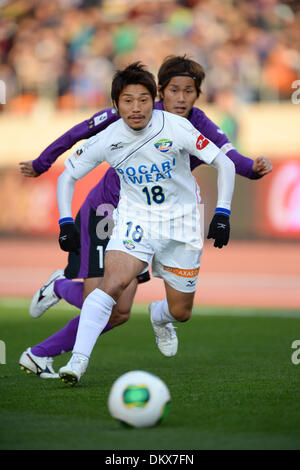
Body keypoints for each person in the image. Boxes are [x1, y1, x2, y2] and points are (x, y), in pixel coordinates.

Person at [19, 55, 272, 379]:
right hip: (110, 211)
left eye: (189, 92)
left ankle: (61, 288)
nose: (181, 98)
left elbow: (226, 157)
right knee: (107, 297)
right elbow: (79, 134)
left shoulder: (194, 124)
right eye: (174, 91)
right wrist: (42, 163)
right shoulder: (131, 110)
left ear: (197, 94)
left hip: (173, 221)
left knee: (123, 312)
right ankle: (47, 354)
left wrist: (251, 169)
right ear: (160, 91)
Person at [55, 61, 236, 386]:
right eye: (127, 100)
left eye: (142, 99)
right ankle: (77, 361)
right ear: (116, 104)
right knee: (112, 284)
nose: (136, 108)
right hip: (135, 220)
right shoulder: (108, 138)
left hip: (182, 224)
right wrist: (65, 220)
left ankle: (158, 314)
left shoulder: (176, 127)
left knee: (181, 311)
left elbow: (224, 162)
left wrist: (223, 213)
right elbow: (67, 175)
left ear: (153, 98)